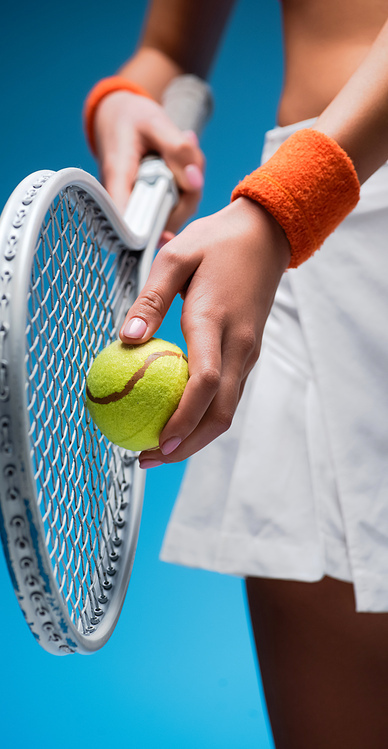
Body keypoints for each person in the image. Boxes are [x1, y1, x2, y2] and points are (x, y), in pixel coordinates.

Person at [83, 2, 388, 746]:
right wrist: (128, 98)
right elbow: (168, 48)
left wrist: (284, 209)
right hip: (303, 238)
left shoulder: (280, 214)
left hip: (293, 210)